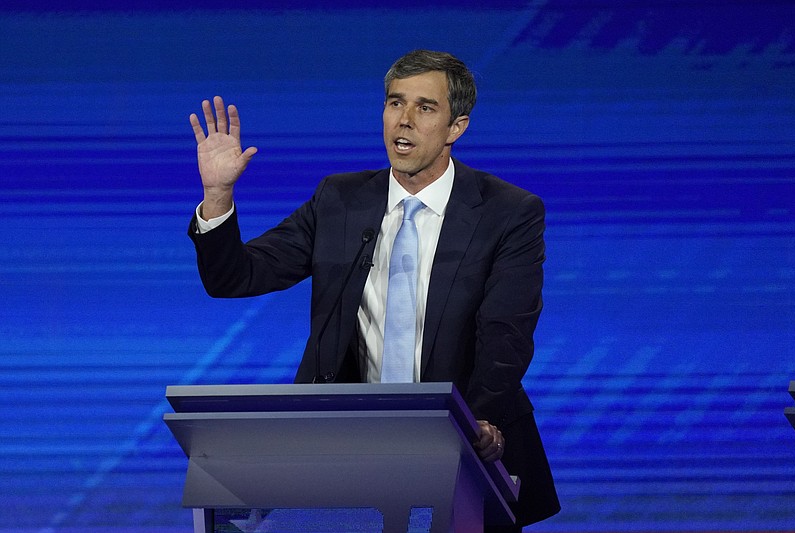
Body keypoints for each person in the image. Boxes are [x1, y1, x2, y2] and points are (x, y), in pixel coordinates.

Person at [188, 49, 560, 530]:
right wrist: (218, 197)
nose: (403, 121)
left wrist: (481, 424)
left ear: (456, 127)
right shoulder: (340, 199)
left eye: (425, 107)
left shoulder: (507, 212)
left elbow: (505, 332)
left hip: (465, 452)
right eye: (394, 103)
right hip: (345, 450)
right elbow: (236, 277)